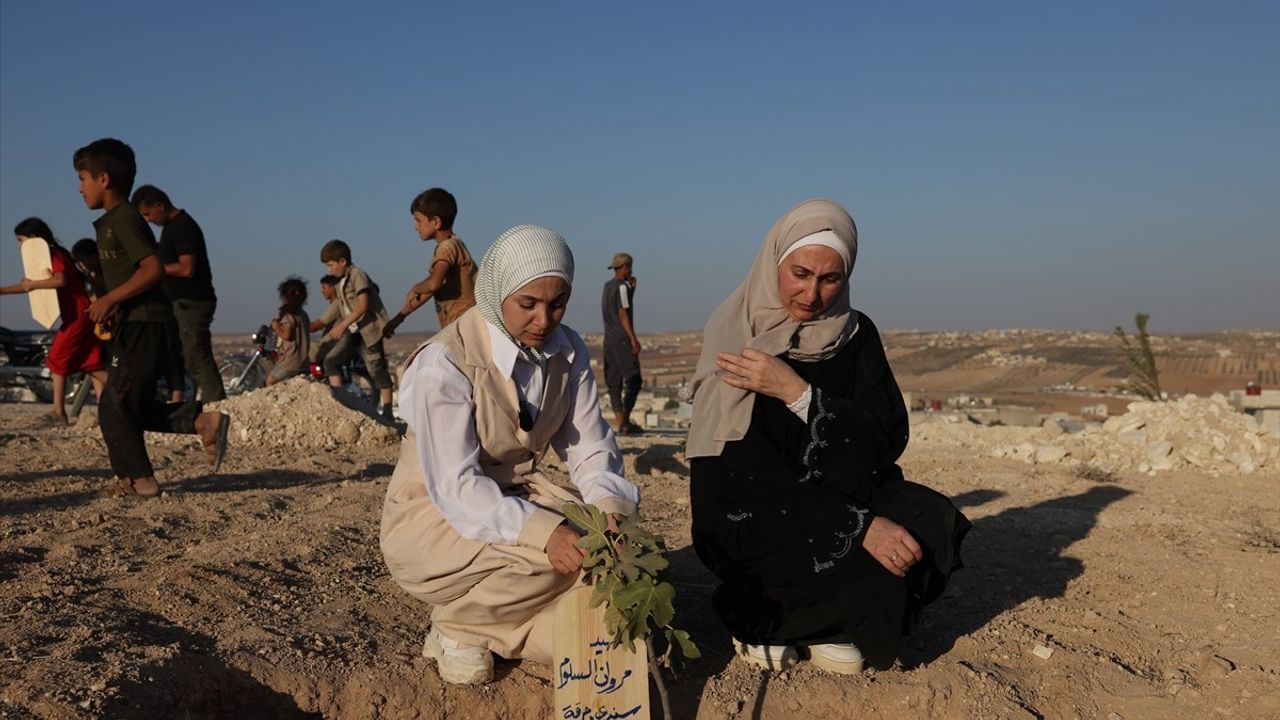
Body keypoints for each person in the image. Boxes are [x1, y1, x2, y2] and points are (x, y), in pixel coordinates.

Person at [684, 199, 969, 675]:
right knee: (873, 554)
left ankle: (816, 625)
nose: (812, 294)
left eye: (829, 279)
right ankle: (755, 619)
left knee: (932, 525)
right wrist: (858, 528)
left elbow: (885, 437)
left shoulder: (856, 335)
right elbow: (744, 475)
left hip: (840, 490)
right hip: (755, 511)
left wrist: (797, 393)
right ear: (775, 261)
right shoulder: (738, 334)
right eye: (799, 273)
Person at [380, 225, 639, 685]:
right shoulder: (446, 362)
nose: (544, 320)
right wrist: (545, 531)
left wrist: (608, 511)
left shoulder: (567, 350)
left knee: (601, 562)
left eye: (557, 304)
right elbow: (457, 488)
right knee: (549, 557)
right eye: (528, 305)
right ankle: (457, 625)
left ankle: (505, 629)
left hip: (511, 497)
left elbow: (589, 445)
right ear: (498, 292)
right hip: (435, 518)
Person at [74, 138, 229, 498]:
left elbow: (153, 269)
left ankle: (141, 481)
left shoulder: (125, 219)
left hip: (148, 325)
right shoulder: (113, 221)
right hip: (136, 322)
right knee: (127, 405)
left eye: (82, 179)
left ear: (104, 178)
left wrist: (110, 298)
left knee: (116, 404)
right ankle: (201, 421)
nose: (79, 188)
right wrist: (115, 308)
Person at [0, 218, 107, 422]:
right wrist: (4, 291)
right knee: (91, 363)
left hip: (78, 315)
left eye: (20, 240)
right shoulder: (56, 254)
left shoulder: (54, 254)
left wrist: (33, 284)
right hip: (80, 314)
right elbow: (29, 286)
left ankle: (59, 411)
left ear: (33, 239)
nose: (18, 245)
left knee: (56, 358)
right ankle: (113, 407)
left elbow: (60, 280)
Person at [131, 184, 224, 402]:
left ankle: (217, 407)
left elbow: (186, 268)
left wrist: (156, 270)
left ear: (159, 206)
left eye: (148, 214)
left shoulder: (182, 227)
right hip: (182, 303)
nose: (148, 220)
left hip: (191, 302)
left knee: (197, 358)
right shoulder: (173, 228)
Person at [383, 188, 477, 337]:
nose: (416, 227)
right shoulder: (454, 245)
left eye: (419, 221)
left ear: (436, 222)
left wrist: (415, 288)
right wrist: (399, 318)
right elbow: (431, 288)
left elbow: (434, 283)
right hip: (463, 327)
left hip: (464, 328)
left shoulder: (446, 248)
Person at [319, 239, 395, 419]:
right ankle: (339, 404)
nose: (329, 270)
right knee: (331, 361)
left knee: (377, 370)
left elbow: (363, 305)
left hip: (369, 332)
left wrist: (341, 326)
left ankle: (388, 411)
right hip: (354, 332)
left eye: (330, 265)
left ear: (342, 261)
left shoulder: (357, 275)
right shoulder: (341, 282)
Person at [601, 252, 643, 434]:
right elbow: (622, 313)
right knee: (634, 379)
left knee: (614, 381)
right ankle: (625, 422)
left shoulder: (607, 286)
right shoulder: (622, 288)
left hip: (609, 339)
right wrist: (632, 337)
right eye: (630, 267)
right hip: (622, 339)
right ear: (625, 268)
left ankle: (620, 421)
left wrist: (632, 290)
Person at [267, 276, 310, 385]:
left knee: (270, 381)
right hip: (304, 363)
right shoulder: (303, 315)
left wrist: (276, 326)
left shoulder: (288, 316)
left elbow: (287, 336)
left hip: (290, 362)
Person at [309, 274, 348, 366]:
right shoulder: (335, 303)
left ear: (334, 288)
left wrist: (296, 326)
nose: (322, 291)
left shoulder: (336, 304)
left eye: (324, 288)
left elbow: (316, 326)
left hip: (329, 344)